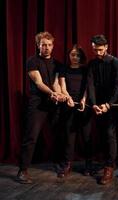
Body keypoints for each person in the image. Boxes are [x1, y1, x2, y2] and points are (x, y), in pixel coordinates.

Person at [16, 31, 66, 184]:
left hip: (53, 103)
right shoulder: (32, 61)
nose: (47, 48)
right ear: (38, 45)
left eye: (49, 45)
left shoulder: (58, 64)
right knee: (31, 136)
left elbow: (56, 83)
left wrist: (59, 95)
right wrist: (52, 93)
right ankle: (22, 170)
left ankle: (58, 164)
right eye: (44, 45)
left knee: (58, 134)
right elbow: (38, 83)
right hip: (38, 104)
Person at [87, 34, 118, 184]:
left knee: (110, 134)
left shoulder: (114, 62)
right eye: (95, 50)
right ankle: (107, 162)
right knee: (102, 134)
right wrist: (94, 103)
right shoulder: (92, 63)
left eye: (100, 50)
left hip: (112, 104)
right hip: (98, 105)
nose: (98, 53)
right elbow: (90, 84)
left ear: (107, 47)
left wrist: (108, 104)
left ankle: (109, 167)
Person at [57, 45, 93, 178]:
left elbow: (88, 87)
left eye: (77, 55)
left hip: (84, 106)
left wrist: (84, 100)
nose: (75, 57)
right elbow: (62, 86)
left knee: (86, 136)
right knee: (69, 137)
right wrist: (68, 98)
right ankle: (67, 164)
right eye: (72, 54)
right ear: (69, 56)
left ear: (81, 56)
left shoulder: (85, 69)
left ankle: (88, 164)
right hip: (69, 105)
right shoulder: (63, 69)